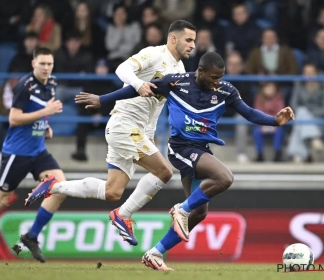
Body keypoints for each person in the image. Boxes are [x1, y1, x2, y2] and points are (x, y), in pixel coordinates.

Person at [71, 52, 295, 270]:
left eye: (221, 77)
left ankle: (155, 253)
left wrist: (274, 121)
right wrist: (103, 99)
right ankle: (180, 209)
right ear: (200, 72)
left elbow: (248, 112)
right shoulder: (176, 82)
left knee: (199, 212)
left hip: (201, 149)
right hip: (180, 148)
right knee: (225, 178)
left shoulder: (226, 90)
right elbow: (138, 89)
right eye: (214, 77)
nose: (218, 81)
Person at [24, 20, 197, 247]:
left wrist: (150, 135)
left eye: (193, 40)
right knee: (164, 172)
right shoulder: (155, 54)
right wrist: (137, 84)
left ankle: (52, 186)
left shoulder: (179, 70)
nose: (192, 45)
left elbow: (156, 109)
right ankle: (122, 216)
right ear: (174, 38)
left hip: (135, 130)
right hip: (125, 125)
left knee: (112, 191)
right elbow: (122, 69)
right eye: (189, 39)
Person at [0, 47, 65, 263]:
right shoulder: (24, 86)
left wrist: (45, 126)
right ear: (33, 64)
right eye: (42, 64)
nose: (46, 68)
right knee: (0, 201)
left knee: (59, 188)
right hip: (17, 153)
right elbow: (14, 118)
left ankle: (31, 236)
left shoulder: (52, 83)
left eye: (49, 64)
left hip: (38, 151)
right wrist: (45, 113)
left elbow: (39, 114)